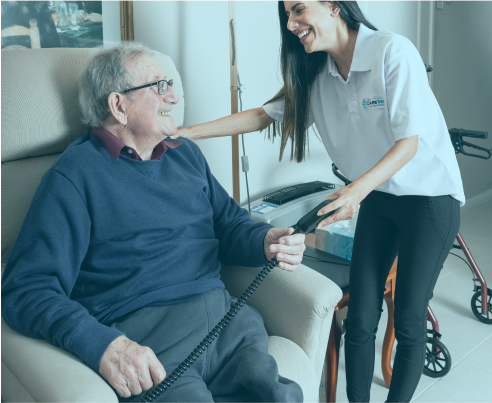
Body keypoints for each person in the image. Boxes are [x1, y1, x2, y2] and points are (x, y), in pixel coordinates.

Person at [172, 2, 464, 402]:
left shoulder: (391, 51)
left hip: (428, 199)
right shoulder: (318, 75)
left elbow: (409, 143)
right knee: (360, 319)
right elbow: (262, 116)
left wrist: (355, 190)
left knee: (410, 320)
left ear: (332, 5)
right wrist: (188, 133)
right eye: (286, 17)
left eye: (297, 10)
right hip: (379, 198)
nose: (291, 25)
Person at [1, 42, 306, 403]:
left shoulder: (185, 154)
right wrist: (104, 346)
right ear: (119, 105)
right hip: (153, 348)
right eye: (159, 86)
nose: (174, 97)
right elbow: (26, 288)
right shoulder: (74, 176)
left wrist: (265, 238)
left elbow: (228, 224)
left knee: (283, 397)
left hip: (231, 330)